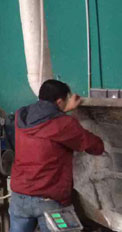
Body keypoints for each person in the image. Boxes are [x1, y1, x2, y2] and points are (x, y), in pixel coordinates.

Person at [9, 79, 105, 232]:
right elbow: (95, 147)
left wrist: (63, 111)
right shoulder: (64, 124)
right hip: (49, 199)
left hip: (20, 196)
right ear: (60, 101)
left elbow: (45, 120)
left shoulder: (22, 115)